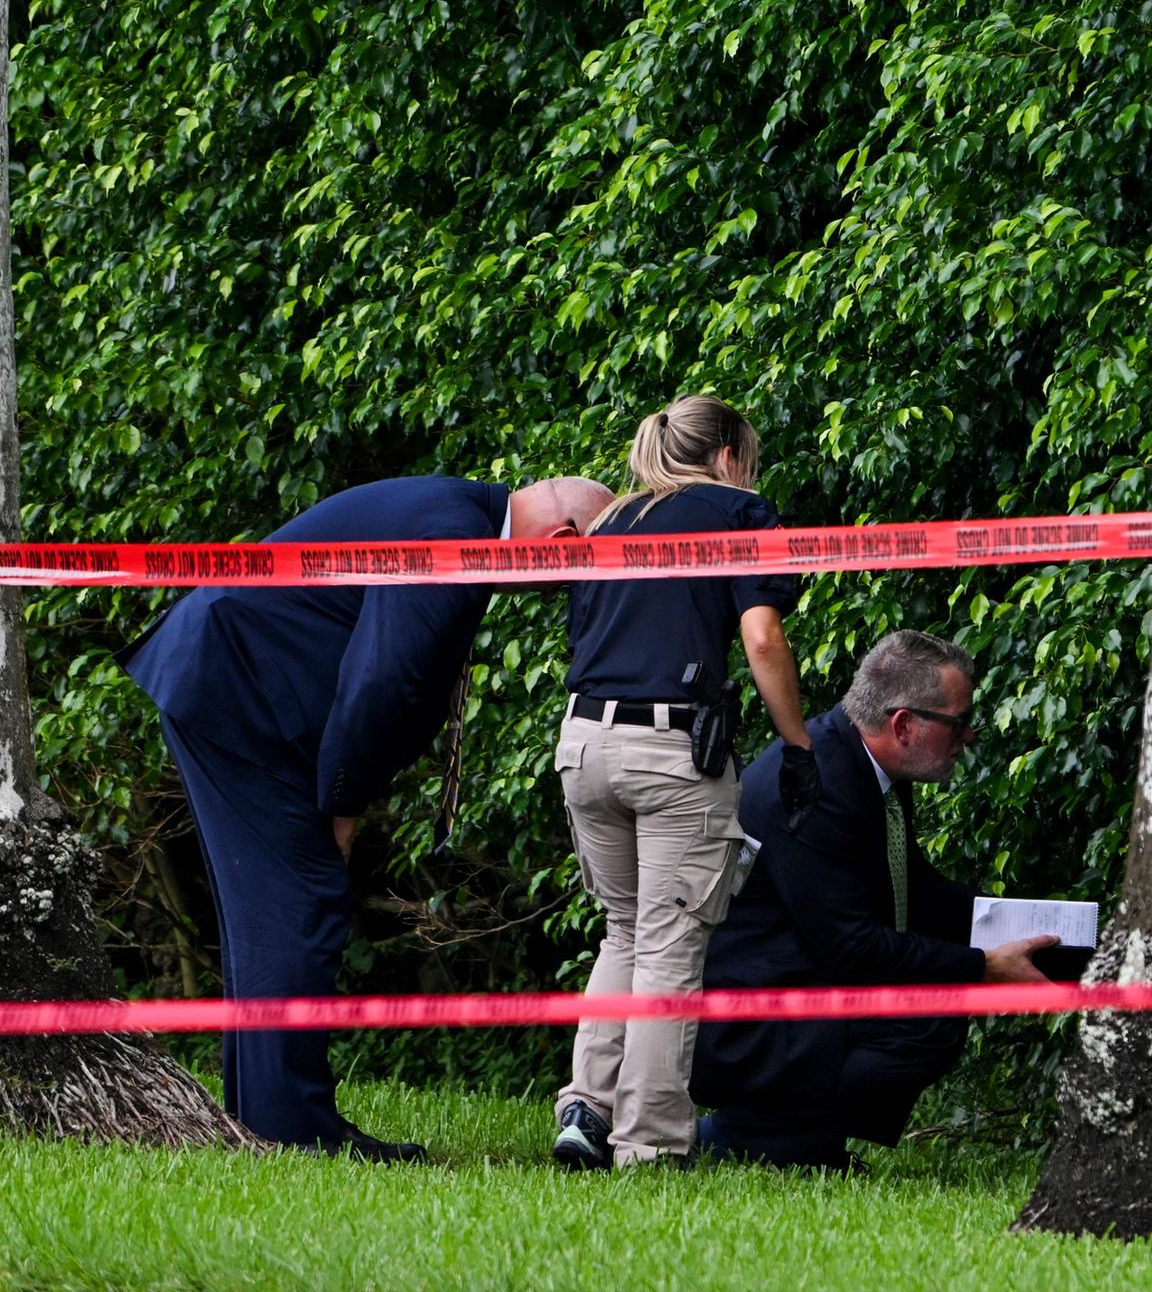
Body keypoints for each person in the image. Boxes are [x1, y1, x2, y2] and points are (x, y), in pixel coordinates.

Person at [119, 473, 613, 1161]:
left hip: (239, 687)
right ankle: (292, 1134)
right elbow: (384, 676)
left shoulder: (458, 509)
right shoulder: (455, 535)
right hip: (240, 695)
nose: (556, 594)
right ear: (561, 546)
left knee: (271, 910)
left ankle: (265, 1121)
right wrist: (343, 805)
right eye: (572, 577)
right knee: (300, 901)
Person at [551, 395, 821, 1170]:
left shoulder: (611, 521)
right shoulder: (739, 510)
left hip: (583, 743)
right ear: (731, 454)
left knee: (625, 930)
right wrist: (797, 746)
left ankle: (586, 1112)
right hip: (671, 749)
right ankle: (650, 1146)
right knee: (670, 944)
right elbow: (762, 636)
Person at [691, 630, 1056, 1171]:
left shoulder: (866, 761)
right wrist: (982, 968)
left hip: (799, 986)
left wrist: (1051, 929)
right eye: (957, 723)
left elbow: (916, 890)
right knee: (930, 1018)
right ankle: (757, 1135)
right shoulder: (819, 787)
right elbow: (854, 949)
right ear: (904, 725)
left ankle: (794, 1138)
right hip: (747, 1023)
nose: (969, 736)